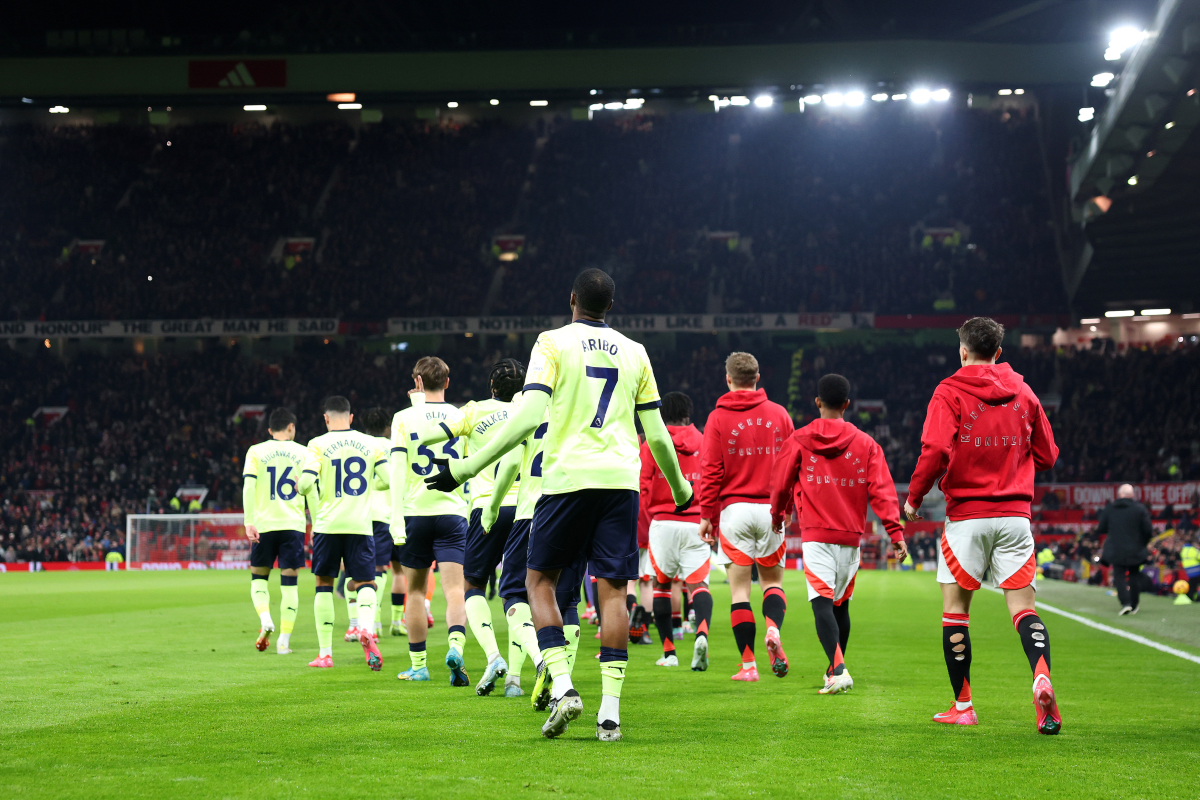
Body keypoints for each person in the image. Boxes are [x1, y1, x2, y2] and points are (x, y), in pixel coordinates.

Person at [425, 268, 693, 742]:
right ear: (610, 306)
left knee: (538, 582)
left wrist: (465, 470)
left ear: (572, 299)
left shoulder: (551, 343)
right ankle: (610, 714)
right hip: (620, 482)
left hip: (567, 478)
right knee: (612, 592)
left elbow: (527, 417)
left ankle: (565, 686)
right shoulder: (637, 353)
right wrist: (680, 488)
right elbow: (656, 434)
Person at [904, 317, 1061, 734]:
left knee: (956, 613)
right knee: (1023, 608)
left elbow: (935, 448)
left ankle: (964, 705)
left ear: (962, 351)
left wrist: (915, 498)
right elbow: (1048, 455)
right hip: (1014, 516)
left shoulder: (949, 391)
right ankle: (1041, 675)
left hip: (967, 517)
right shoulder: (1024, 392)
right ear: (998, 352)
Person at [770, 374, 907, 694]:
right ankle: (833, 667)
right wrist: (895, 531)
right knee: (841, 605)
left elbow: (780, 483)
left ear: (817, 402)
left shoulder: (800, 440)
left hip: (817, 534)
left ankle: (840, 669)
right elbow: (883, 490)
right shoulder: (866, 444)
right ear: (847, 405)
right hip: (850, 536)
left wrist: (779, 514)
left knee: (821, 603)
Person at [407, 359, 527, 696]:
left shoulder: (475, 411)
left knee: (473, 583)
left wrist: (421, 405)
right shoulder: (535, 410)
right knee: (520, 591)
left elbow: (428, 436)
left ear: (492, 386)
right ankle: (515, 679)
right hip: (529, 508)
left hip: (486, 507)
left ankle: (492, 657)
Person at [697, 351, 794, 681]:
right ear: (757, 378)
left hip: (734, 511)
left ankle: (749, 665)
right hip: (770, 510)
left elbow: (710, 471)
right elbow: (790, 468)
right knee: (772, 583)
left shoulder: (717, 418)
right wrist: (787, 508)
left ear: (728, 379)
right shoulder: (779, 415)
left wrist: (706, 515)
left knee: (739, 592)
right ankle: (773, 630)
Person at [390, 358, 471, 684]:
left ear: (417, 382)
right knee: (455, 589)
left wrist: (396, 518)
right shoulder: (461, 415)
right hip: (453, 512)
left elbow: (396, 471)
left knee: (416, 591)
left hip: (416, 512)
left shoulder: (403, 418)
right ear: (447, 382)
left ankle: (419, 665)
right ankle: (455, 646)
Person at [304, 396, 391, 670]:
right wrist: (367, 489)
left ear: (326, 418)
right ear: (351, 417)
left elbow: (306, 482)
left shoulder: (317, 444)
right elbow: (389, 480)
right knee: (366, 582)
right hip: (360, 525)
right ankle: (366, 627)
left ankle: (325, 654)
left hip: (328, 525)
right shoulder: (371, 444)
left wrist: (302, 485)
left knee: (324, 585)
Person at [639, 391, 713, 671]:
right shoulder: (705, 442)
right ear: (688, 413)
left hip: (663, 521)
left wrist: (652, 513)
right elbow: (711, 481)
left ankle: (669, 652)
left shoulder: (652, 443)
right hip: (696, 521)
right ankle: (702, 634)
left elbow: (644, 484)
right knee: (698, 586)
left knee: (662, 586)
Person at [242, 408, 318, 655]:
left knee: (258, 580)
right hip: (293, 526)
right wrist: (315, 524)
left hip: (264, 525)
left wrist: (248, 521)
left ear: (269, 430)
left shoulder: (256, 451)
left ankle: (265, 618)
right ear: (292, 427)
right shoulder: (304, 452)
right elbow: (312, 492)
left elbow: (248, 487)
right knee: (290, 586)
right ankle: (284, 641)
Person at [358, 408, 395, 640]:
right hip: (385, 514)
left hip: (359, 516)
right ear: (387, 427)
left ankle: (360, 623)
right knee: (380, 570)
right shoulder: (393, 447)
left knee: (359, 572)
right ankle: (376, 623)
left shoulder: (359, 446)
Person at [1097, 484, 1153, 615]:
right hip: (1136, 548)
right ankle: (1134, 605)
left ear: (1119, 495)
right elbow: (1148, 530)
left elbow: (1101, 528)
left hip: (1116, 548)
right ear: (1132, 495)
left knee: (1119, 575)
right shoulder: (1139, 509)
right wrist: (1142, 543)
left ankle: (1125, 602)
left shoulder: (1110, 508)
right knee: (1134, 575)